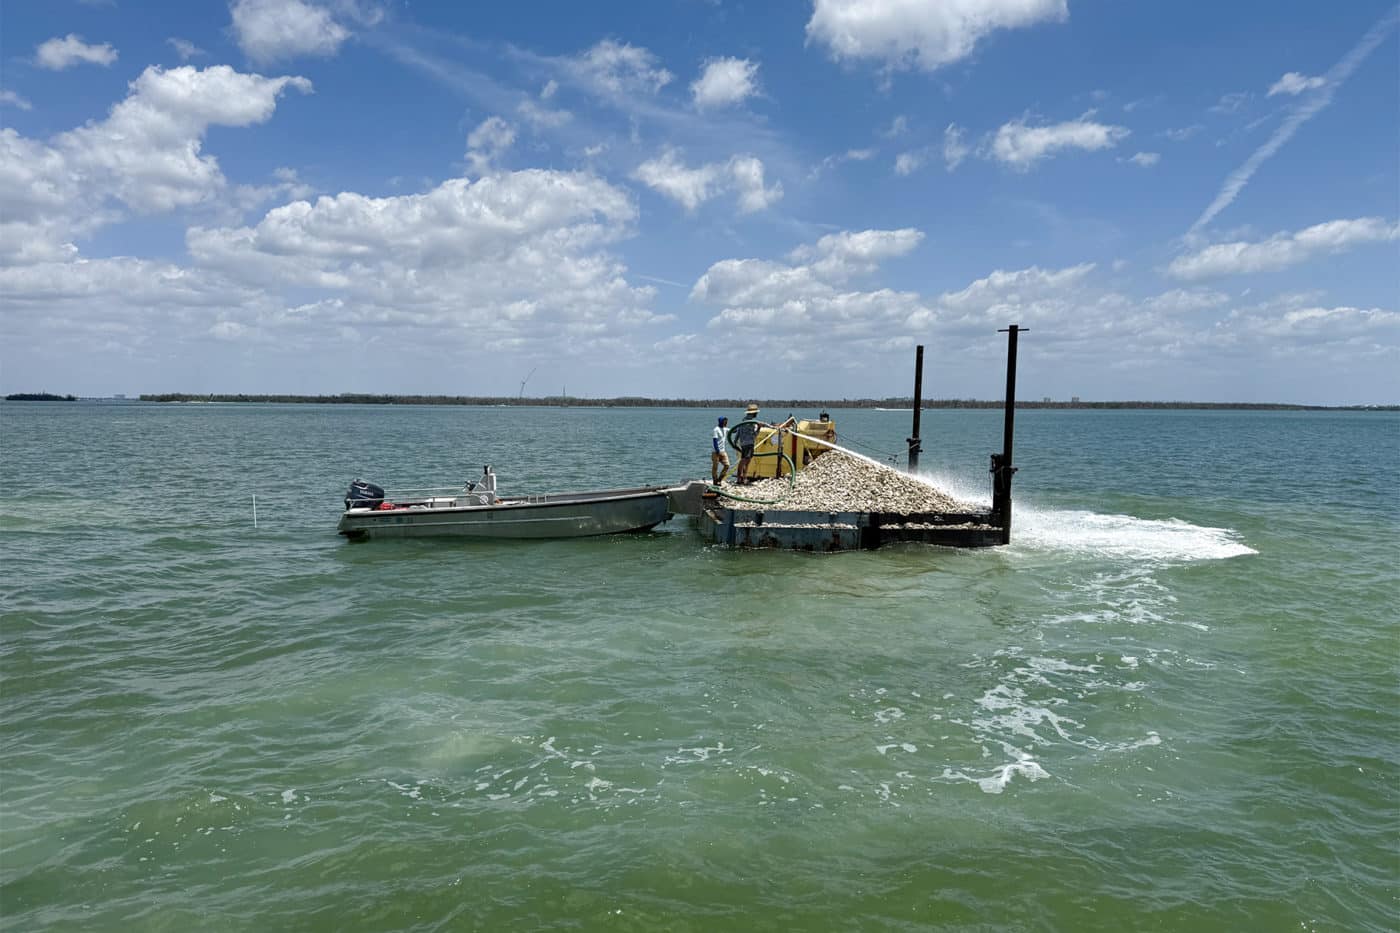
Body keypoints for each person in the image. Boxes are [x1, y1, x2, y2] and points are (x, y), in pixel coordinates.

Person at [731, 404, 762, 484]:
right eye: (756, 413)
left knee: (744, 460)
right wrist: (759, 428)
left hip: (743, 443)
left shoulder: (743, 420)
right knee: (746, 460)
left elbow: (738, 431)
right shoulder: (751, 423)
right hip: (749, 443)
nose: (757, 414)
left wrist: (735, 441)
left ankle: (740, 478)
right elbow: (753, 435)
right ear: (754, 413)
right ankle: (742, 478)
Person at [711, 416, 731, 484]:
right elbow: (715, 441)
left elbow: (733, 430)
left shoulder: (725, 429)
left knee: (727, 465)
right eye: (725, 421)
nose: (726, 423)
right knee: (715, 468)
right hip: (715, 452)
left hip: (723, 451)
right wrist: (717, 451)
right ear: (721, 422)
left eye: (726, 422)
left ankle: (719, 479)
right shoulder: (716, 429)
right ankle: (715, 481)